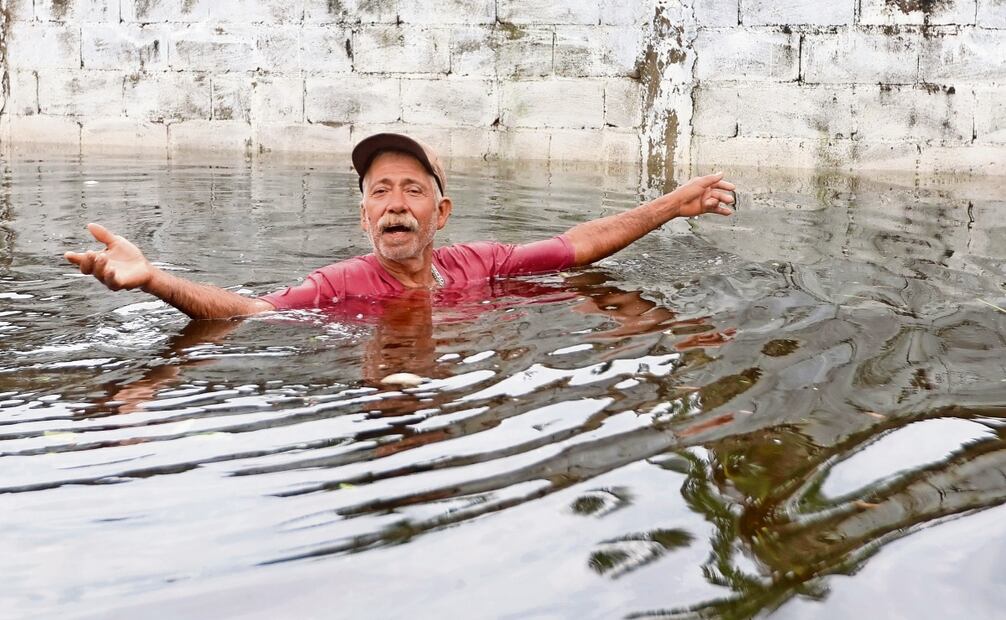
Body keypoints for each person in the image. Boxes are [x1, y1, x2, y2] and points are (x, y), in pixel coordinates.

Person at [64, 133, 736, 320]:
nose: (395, 203)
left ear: (439, 214)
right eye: (380, 191)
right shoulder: (342, 286)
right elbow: (251, 312)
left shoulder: (483, 265)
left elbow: (575, 246)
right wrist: (154, 280)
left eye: (413, 190)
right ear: (363, 214)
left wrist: (669, 206)